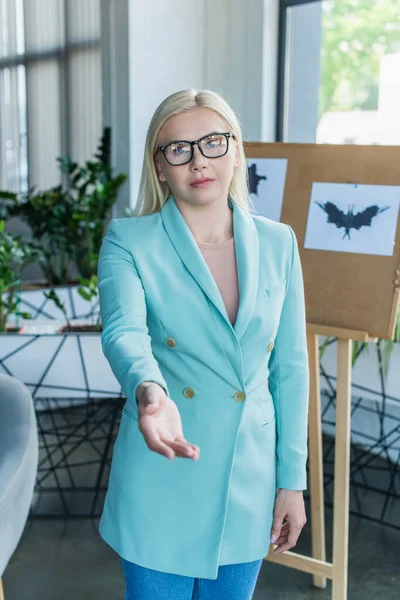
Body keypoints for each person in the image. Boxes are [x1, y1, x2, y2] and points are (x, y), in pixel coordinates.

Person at [97, 89, 309, 600]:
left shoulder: (278, 242)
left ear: (236, 150)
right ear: (160, 165)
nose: (198, 161)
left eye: (213, 142)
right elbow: (125, 332)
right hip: (163, 464)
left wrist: (292, 480)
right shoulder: (129, 240)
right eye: (179, 148)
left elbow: (290, 368)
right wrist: (150, 392)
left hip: (249, 473)